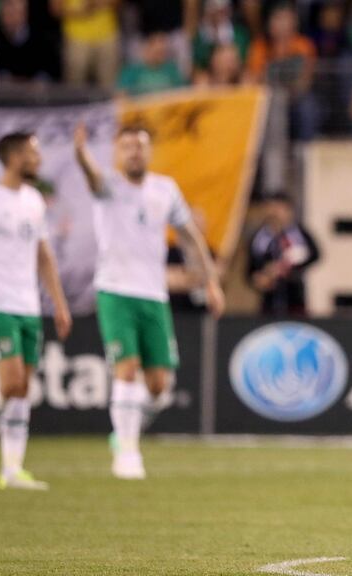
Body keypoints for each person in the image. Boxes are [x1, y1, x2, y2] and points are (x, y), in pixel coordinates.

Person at [73, 123, 225, 480]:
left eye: (140, 145)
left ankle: (125, 430)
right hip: (115, 291)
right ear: (117, 152)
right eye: (126, 146)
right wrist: (81, 153)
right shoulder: (108, 185)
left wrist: (212, 283)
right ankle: (127, 452)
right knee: (126, 370)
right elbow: (92, 176)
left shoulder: (165, 189)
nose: (134, 152)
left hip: (153, 295)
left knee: (159, 387)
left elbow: (190, 237)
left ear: (149, 150)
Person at [0, 132, 72, 491]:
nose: (38, 160)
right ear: (13, 157)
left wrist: (58, 302)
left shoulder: (34, 200)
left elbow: (43, 255)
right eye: (32, 153)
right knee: (9, 382)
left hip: (29, 305)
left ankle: (12, 468)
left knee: (23, 387)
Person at [246, 3, 319, 140]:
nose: (283, 24)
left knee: (308, 107)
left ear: (294, 23)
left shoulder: (304, 45)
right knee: (270, 106)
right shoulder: (260, 46)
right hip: (269, 98)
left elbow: (305, 82)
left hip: (296, 97)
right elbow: (253, 79)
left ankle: (304, 150)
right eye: (278, 19)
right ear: (269, 24)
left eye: (287, 19)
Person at [248, 195, 320, 316]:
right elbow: (251, 268)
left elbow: (314, 255)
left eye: (279, 209)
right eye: (271, 208)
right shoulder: (260, 237)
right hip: (269, 298)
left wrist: (289, 268)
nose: (275, 213)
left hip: (294, 294)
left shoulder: (298, 233)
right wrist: (258, 278)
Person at [49, 0, 120, 89]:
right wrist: (79, 12)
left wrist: (99, 3)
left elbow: (119, 3)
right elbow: (55, 9)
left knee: (110, 85)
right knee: (74, 87)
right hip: (76, 38)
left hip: (107, 35)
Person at [117, 32, 187, 96]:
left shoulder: (171, 69)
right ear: (147, 48)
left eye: (163, 52)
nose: (162, 48)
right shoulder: (132, 70)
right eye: (158, 52)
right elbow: (121, 94)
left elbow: (182, 92)